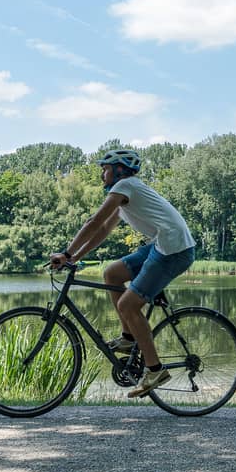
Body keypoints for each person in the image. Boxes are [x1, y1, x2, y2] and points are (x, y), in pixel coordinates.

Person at [48, 147, 196, 398]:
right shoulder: (123, 194)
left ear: (119, 171)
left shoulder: (125, 185)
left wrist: (67, 253)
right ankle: (128, 337)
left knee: (128, 305)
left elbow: (92, 223)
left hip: (174, 249)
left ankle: (155, 369)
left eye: (105, 169)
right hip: (162, 244)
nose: (102, 175)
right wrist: (76, 258)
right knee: (112, 274)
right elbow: (103, 230)